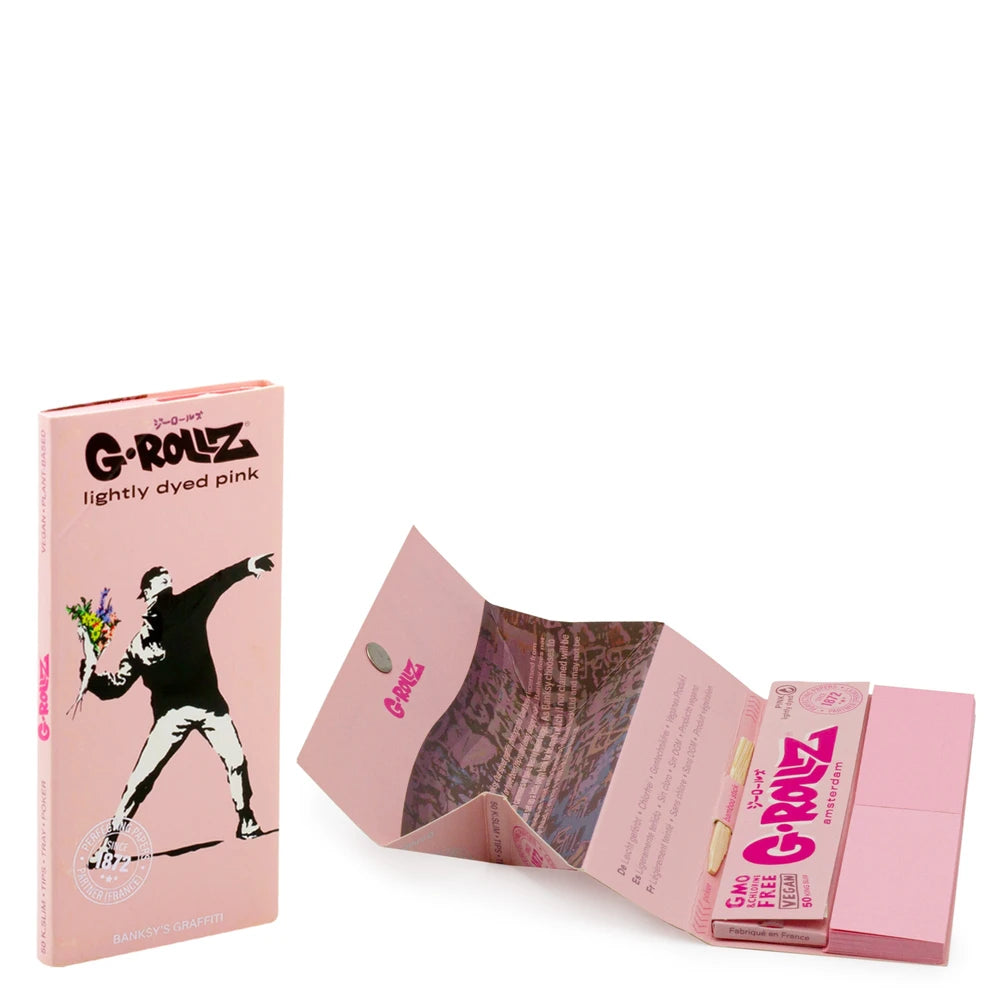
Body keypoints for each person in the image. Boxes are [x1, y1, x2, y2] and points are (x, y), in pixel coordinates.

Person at [79, 553, 275, 862]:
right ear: (146, 592)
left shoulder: (188, 605)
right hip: (172, 716)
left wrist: (248, 566)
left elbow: (217, 582)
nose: (166, 578)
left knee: (236, 760)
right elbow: (115, 687)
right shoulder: (138, 644)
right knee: (141, 779)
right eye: (160, 577)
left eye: (168, 576)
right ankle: (108, 844)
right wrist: (89, 677)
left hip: (210, 707)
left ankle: (246, 819)